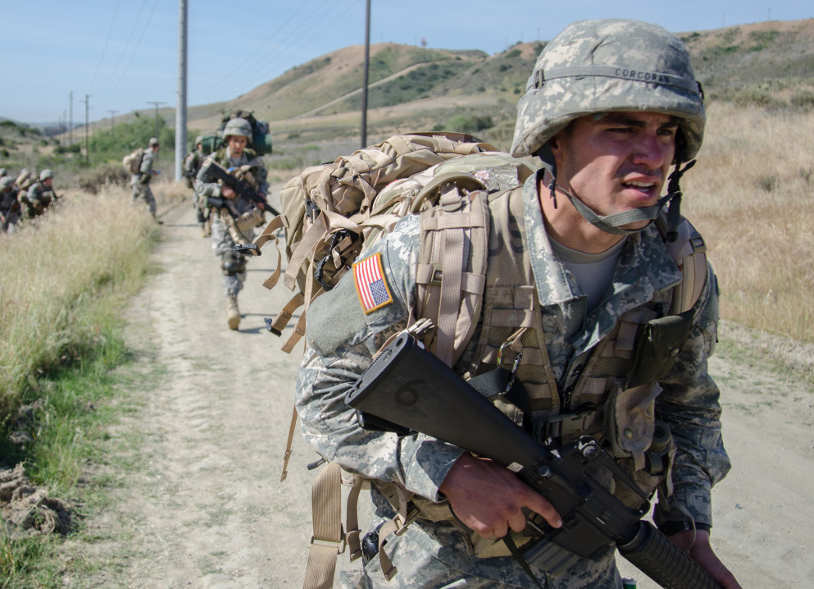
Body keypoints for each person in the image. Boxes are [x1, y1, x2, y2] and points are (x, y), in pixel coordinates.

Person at [295, 19, 740, 589]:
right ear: (556, 136)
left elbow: (689, 406)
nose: (651, 154)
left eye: (667, 132)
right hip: (433, 570)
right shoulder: (439, 250)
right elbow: (323, 395)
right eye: (622, 128)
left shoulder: (679, 267)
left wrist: (687, 526)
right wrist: (447, 471)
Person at [194, 118, 269, 330]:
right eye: (235, 140)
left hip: (246, 219)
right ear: (228, 140)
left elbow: (263, 180)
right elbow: (199, 184)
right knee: (229, 261)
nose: (238, 145)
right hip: (223, 217)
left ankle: (234, 290)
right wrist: (220, 191)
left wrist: (261, 195)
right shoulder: (215, 160)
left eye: (242, 141)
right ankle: (231, 303)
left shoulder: (254, 161)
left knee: (242, 261)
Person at [184, 135, 214, 236]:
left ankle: (208, 226)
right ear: (198, 145)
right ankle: (202, 228)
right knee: (199, 207)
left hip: (209, 184)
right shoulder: (194, 156)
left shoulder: (211, 155)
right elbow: (188, 172)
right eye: (201, 144)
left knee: (210, 206)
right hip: (197, 185)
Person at [127, 137, 162, 223]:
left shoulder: (145, 153)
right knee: (150, 201)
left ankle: (129, 219)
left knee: (134, 201)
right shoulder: (149, 155)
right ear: (157, 147)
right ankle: (153, 219)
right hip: (141, 182)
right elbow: (144, 169)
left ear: (149, 145)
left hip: (136, 180)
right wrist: (153, 172)